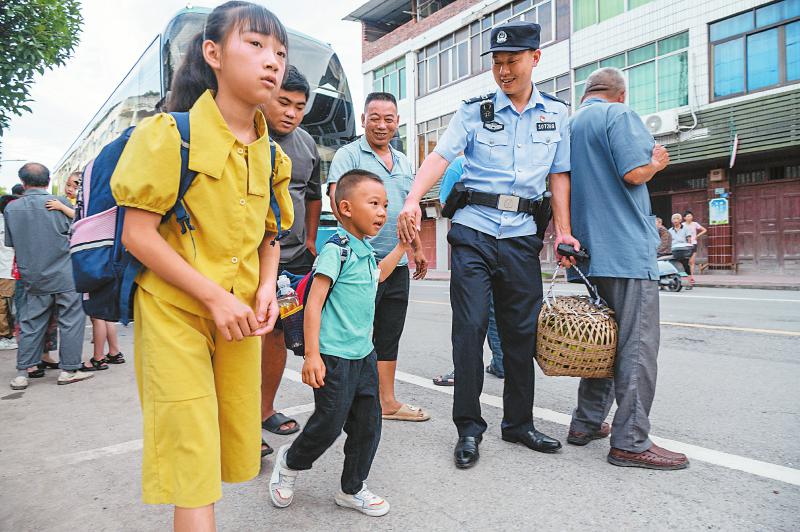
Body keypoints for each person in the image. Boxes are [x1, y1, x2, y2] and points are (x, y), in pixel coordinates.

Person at [109, 3, 293, 530]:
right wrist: (213, 297)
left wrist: (265, 289)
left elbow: (270, 234)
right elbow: (137, 234)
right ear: (213, 53)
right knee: (191, 456)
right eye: (255, 44)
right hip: (175, 315)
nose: (272, 61)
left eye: (279, 53)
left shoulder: (273, 155)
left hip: (240, 322)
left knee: (227, 445)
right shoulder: (168, 134)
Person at [397, 21, 578, 468]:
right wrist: (413, 198)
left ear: (535, 58)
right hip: (474, 233)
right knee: (470, 329)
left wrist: (564, 231)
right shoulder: (473, 112)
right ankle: (468, 428)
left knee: (520, 335)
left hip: (521, 238)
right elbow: (439, 156)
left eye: (512, 61)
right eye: (497, 63)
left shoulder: (557, 114)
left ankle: (518, 424)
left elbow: (559, 176)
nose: (503, 71)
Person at [566, 67, 688, 470]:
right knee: (636, 347)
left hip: (589, 252)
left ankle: (585, 423)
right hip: (626, 251)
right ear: (620, 93)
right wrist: (656, 163)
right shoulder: (618, 114)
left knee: (604, 340)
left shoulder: (570, 125)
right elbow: (633, 173)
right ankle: (631, 441)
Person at [269, 169, 409, 517]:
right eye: (374, 203)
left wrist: (403, 246)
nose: (382, 212)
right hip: (333, 356)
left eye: (385, 205)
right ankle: (290, 462)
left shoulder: (364, 250)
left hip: (364, 355)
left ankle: (352, 488)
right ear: (345, 208)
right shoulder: (337, 250)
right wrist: (312, 356)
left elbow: (379, 275)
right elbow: (314, 304)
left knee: (368, 425)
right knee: (329, 424)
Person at [327, 92, 430, 422]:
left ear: (397, 122)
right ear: (363, 120)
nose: (382, 125)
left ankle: (386, 401)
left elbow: (408, 211)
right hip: (359, 264)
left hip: (396, 262)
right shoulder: (348, 155)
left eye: (388, 119)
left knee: (388, 333)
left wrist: (416, 248)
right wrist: (357, 246)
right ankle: (343, 400)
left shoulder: (403, 162)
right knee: (354, 333)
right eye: (375, 118)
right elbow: (337, 201)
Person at [259, 65, 320, 447]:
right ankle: (236, 421)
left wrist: (310, 239)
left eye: (299, 106)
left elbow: (312, 194)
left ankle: (264, 410)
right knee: (248, 334)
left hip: (292, 260)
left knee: (279, 334)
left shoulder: (307, 144)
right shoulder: (247, 134)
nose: (291, 113)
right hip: (251, 259)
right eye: (283, 103)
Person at [5, 163, 94, 390]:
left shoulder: (12, 209)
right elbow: (79, 230)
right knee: (71, 321)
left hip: (33, 275)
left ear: (23, 182)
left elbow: (12, 243)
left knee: (31, 323)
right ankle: (69, 370)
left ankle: (22, 373)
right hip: (66, 273)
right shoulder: (60, 203)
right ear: (48, 181)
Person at [432, 155, 505, 387]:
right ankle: (501, 362)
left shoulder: (459, 164)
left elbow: (446, 204)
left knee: (471, 312)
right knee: (497, 308)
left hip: (474, 243)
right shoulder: (507, 160)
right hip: (510, 242)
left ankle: (464, 370)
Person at [0, 198, 17, 350]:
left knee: (6, 306)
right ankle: (6, 336)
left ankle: (8, 335)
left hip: (9, 270)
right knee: (5, 306)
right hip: (7, 270)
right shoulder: (8, 222)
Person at [683, 210, 706, 285]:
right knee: (685, 261)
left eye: (691, 216)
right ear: (684, 218)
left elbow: (704, 230)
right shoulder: (682, 225)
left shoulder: (695, 224)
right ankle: (686, 276)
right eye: (688, 216)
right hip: (685, 245)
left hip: (693, 244)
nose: (690, 217)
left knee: (691, 261)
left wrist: (697, 236)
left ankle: (691, 277)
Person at [669, 213, 693, 277]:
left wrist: (689, 249)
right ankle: (677, 278)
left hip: (684, 249)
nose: (675, 220)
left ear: (680, 220)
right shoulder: (670, 230)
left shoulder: (686, 228)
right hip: (674, 249)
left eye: (677, 219)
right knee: (674, 263)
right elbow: (669, 241)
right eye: (674, 219)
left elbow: (689, 239)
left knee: (685, 264)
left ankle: (690, 278)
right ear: (672, 221)